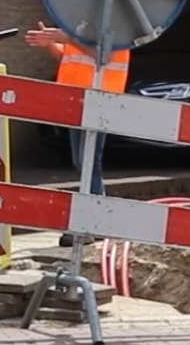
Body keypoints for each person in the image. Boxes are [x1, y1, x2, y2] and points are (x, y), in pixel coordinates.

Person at [25, 21, 129, 246]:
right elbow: (73, 57)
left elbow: (103, 56)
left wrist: (68, 38)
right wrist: (53, 45)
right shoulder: (83, 24)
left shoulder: (117, 25)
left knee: (89, 161)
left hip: (99, 98)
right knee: (83, 161)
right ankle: (99, 221)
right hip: (78, 100)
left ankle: (93, 223)